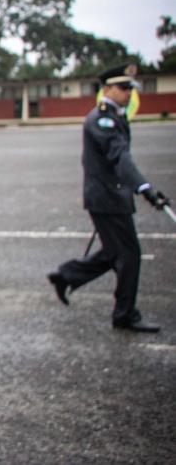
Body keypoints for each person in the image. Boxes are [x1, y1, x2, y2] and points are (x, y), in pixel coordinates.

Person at [47, 64, 169, 333]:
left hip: (110, 196)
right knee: (129, 254)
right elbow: (120, 158)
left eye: (129, 88)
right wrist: (144, 187)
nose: (128, 93)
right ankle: (124, 314)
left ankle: (67, 274)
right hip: (107, 197)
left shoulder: (115, 116)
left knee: (117, 252)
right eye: (123, 88)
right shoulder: (102, 119)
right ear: (106, 89)